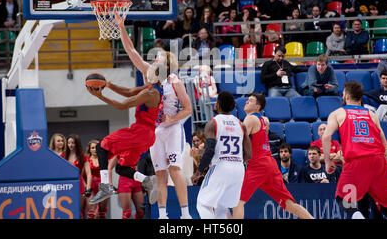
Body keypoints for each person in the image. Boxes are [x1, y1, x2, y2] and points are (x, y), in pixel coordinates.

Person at [115, 13, 193, 220]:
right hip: (155, 131)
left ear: (166, 62)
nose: (154, 57)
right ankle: (162, 215)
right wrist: (121, 27)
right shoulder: (148, 73)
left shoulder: (175, 80)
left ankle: (186, 214)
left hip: (172, 129)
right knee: (160, 174)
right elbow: (131, 50)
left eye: (158, 56)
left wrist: (172, 119)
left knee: (175, 170)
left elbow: (188, 109)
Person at [322, 81, 387, 219]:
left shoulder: (338, 113)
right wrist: (383, 160)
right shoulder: (371, 114)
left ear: (346, 96)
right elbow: (383, 138)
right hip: (378, 161)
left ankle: (356, 215)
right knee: (384, 206)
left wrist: (328, 162)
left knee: (344, 199)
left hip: (357, 161)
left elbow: (326, 136)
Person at [233, 93, 314, 219]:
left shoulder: (250, 119)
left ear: (258, 106)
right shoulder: (263, 120)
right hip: (270, 164)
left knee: (237, 201)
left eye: (251, 100)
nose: (246, 102)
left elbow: (239, 142)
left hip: (258, 165)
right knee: (289, 205)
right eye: (247, 100)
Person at [87, 81, 163, 207]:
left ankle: (105, 186)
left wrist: (100, 96)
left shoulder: (151, 92)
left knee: (101, 146)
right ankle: (147, 180)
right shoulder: (152, 88)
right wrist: (109, 85)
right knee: (121, 168)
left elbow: (122, 105)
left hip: (140, 131)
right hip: (148, 136)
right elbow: (129, 92)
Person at [192, 91, 252, 219]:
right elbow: (249, 154)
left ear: (218, 104)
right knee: (221, 207)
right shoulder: (240, 124)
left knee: (203, 204)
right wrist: (235, 162)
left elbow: (209, 150)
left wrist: (199, 172)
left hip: (221, 166)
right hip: (238, 168)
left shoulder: (213, 123)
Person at [62, 134, 92, 219]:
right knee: (67, 210)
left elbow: (89, 174)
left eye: (73, 143)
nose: (70, 145)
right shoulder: (63, 156)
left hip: (79, 184)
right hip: (66, 184)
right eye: (69, 143)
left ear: (77, 144)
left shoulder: (83, 156)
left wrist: (88, 188)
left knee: (78, 211)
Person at [85, 140, 108, 219]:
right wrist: (86, 186)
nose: (95, 149)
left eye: (96, 147)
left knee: (102, 213)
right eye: (92, 148)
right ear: (89, 149)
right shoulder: (86, 160)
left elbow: (108, 172)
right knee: (91, 213)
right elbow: (82, 175)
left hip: (102, 185)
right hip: (91, 185)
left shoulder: (104, 159)